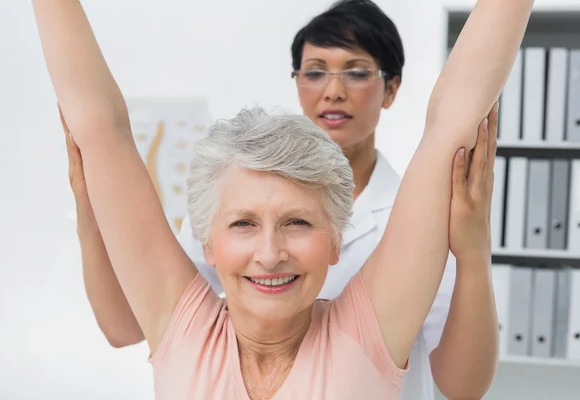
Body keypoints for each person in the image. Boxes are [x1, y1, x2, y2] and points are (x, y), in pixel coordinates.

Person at [32, 0, 532, 399]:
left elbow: (452, 123)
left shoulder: (364, 333)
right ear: (207, 243)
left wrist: (471, 252)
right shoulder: (185, 333)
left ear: (337, 239)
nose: (269, 254)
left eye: (297, 223)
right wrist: (89, 209)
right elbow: (103, 128)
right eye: (243, 224)